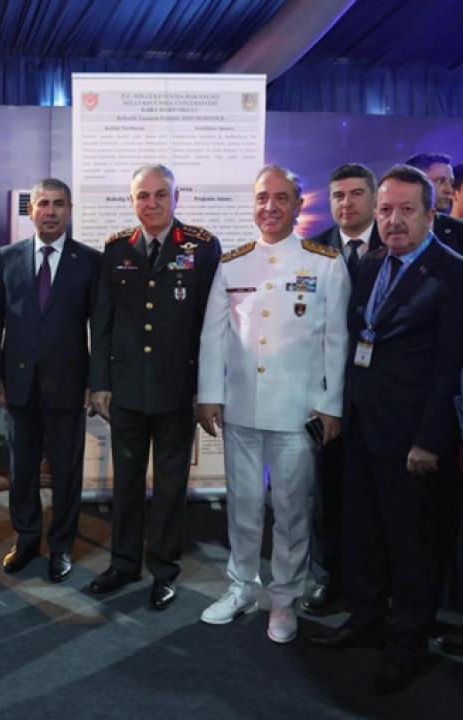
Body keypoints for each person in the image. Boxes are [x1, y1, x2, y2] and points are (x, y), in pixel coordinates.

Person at [308, 165, 463, 695]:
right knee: (364, 536)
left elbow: (450, 367)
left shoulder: (453, 273)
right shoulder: (370, 264)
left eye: (406, 210)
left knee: (413, 547)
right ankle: (366, 619)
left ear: (430, 214)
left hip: (413, 441)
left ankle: (408, 646)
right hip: (362, 430)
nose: (393, 220)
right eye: (386, 210)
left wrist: (430, 441)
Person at [197, 166, 349, 645]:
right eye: (263, 197)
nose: (270, 207)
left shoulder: (325, 264)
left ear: (298, 205)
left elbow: (336, 341)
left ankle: (284, 599)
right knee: (242, 506)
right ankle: (242, 587)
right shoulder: (233, 263)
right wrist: (210, 394)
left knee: (291, 511)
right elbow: (213, 336)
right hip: (241, 408)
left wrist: (330, 405)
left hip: (297, 412)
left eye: (282, 198)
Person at [88, 165, 221, 608]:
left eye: (161, 194)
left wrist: (205, 390)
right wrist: (99, 382)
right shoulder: (116, 249)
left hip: (176, 389)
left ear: (176, 198)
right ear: (132, 202)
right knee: (125, 481)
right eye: (142, 196)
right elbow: (102, 323)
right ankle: (124, 563)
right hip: (126, 389)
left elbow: (210, 326)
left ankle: (164, 569)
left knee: (169, 485)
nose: (152, 203)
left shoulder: (201, 247)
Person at [0, 177, 99, 584]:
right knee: (22, 468)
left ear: (69, 210)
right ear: (31, 210)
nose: (50, 212)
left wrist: (96, 382)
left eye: (58, 204)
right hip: (18, 384)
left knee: (67, 471)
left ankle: (62, 545)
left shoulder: (89, 261)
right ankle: (25, 539)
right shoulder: (6, 258)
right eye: (43, 204)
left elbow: (100, 328)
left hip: (69, 384)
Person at [304, 163, 381, 615]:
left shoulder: (394, 245)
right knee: (325, 489)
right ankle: (327, 577)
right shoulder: (313, 249)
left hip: (379, 392)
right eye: (337, 195)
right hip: (324, 391)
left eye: (355, 194)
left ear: (373, 198)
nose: (346, 203)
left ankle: (375, 584)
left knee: (372, 493)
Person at [404, 153, 463, 253]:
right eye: (440, 181)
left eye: (451, 182)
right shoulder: (385, 229)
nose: (449, 190)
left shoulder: (459, 232)